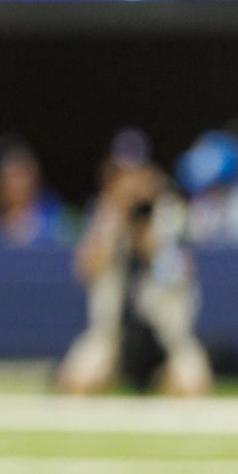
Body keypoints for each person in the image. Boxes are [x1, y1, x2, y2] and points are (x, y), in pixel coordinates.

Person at [57, 161, 211, 397]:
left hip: (165, 337)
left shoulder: (169, 222)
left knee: (191, 385)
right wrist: (114, 226)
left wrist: (151, 244)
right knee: (77, 382)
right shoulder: (107, 223)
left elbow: (179, 275)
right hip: (112, 336)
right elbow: (85, 271)